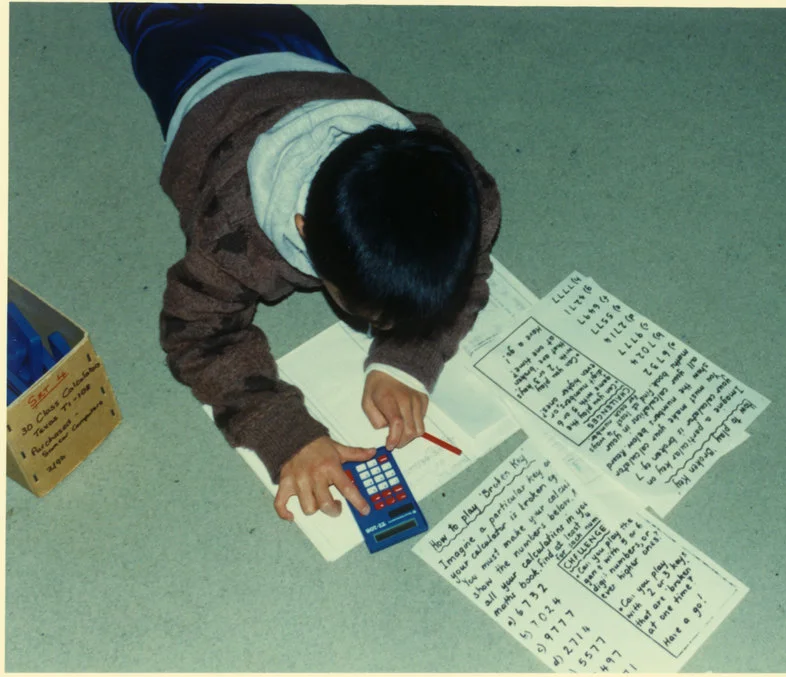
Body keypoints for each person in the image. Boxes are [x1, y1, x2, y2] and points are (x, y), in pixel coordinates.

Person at [110, 3, 501, 523]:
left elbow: (468, 268)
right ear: (303, 234)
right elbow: (194, 335)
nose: (385, 329)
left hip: (293, 42)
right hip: (191, 71)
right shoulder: (233, 235)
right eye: (377, 319)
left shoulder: (463, 187)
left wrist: (404, 356)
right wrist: (283, 432)